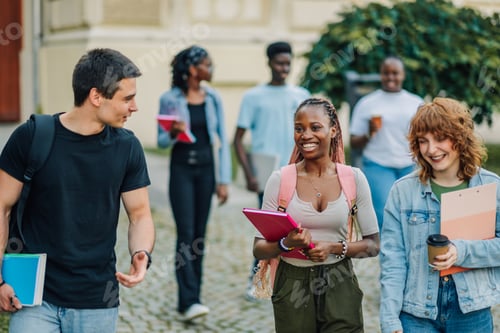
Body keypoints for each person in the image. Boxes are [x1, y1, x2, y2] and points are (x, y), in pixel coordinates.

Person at [0, 48, 155, 332]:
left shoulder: (127, 147)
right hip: (33, 296)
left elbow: (140, 214)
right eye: (127, 98)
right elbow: (2, 206)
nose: (134, 107)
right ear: (96, 97)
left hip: (96, 298)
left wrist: (141, 252)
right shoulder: (31, 137)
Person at [253, 97, 379, 332]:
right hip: (292, 283)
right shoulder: (280, 180)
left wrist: (334, 248)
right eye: (299, 129)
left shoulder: (354, 179)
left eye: (315, 127)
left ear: (333, 130)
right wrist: (286, 243)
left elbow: (373, 245)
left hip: (340, 279)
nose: (305, 135)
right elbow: (259, 248)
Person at [379, 97, 500, 333]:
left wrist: (461, 251)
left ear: (460, 137)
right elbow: (393, 261)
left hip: (471, 311)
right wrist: (390, 319)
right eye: (423, 141)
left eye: (440, 138)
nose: (431, 150)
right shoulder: (402, 191)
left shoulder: (490, 186)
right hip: (416, 313)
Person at [157, 45, 231, 321]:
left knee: (200, 234)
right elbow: (162, 141)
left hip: (206, 170)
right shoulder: (170, 98)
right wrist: (174, 132)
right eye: (206, 65)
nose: (211, 70)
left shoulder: (213, 98)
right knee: (185, 233)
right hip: (181, 171)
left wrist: (223, 180)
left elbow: (221, 140)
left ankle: (193, 298)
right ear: (191, 69)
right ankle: (188, 300)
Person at [233, 41, 310, 300]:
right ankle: (256, 281)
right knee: (268, 233)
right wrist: (249, 174)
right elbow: (238, 139)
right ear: (269, 63)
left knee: (297, 229)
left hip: (297, 174)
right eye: (279, 63)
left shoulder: (301, 96)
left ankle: (291, 282)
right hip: (267, 176)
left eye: (288, 63)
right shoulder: (254, 97)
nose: (284, 68)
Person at [349, 55, 423, 229]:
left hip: (409, 165)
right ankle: (387, 254)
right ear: (381, 75)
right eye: (386, 73)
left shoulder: (416, 102)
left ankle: (408, 251)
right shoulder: (367, 103)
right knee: (383, 214)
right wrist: (370, 132)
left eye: (395, 73)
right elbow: (353, 142)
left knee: (410, 213)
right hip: (377, 164)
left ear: (403, 75)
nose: (390, 77)